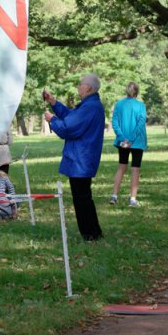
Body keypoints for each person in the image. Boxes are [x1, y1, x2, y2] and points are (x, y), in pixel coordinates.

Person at [43, 74, 105, 241]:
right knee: (84, 197)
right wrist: (54, 103)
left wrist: (52, 120)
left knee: (81, 198)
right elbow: (71, 116)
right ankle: (93, 231)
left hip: (81, 159)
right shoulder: (89, 105)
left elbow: (68, 128)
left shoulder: (90, 107)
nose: (78, 87)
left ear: (89, 88)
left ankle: (90, 234)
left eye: (80, 84)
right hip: (82, 158)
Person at [109, 82, 147, 207]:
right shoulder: (141, 105)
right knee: (135, 169)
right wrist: (130, 139)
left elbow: (114, 122)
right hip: (136, 142)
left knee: (121, 167)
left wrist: (123, 138)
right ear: (137, 92)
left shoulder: (118, 104)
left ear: (126, 91)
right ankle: (132, 200)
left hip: (123, 142)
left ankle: (114, 196)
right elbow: (141, 123)